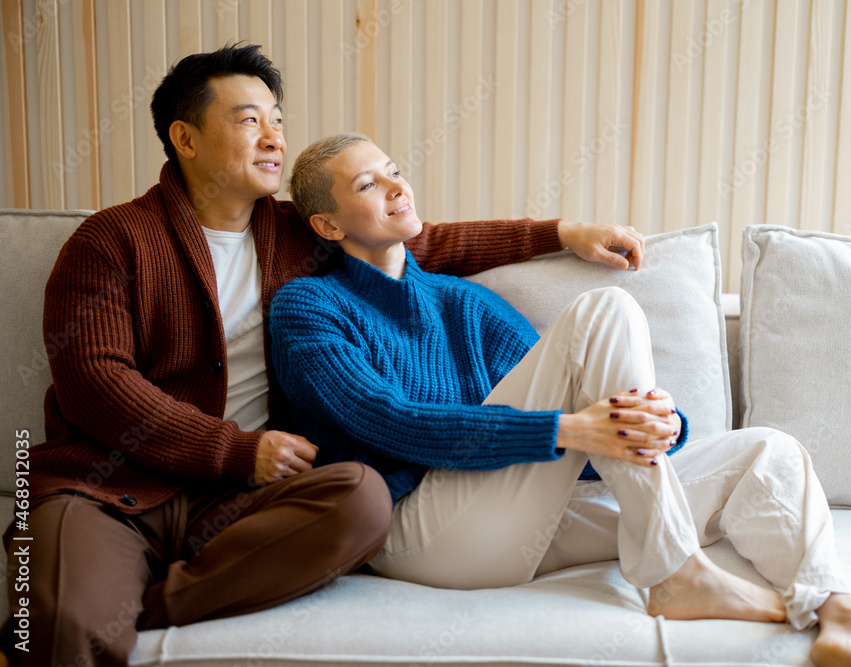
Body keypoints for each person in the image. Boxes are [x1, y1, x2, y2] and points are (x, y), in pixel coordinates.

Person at [0, 45, 644, 666]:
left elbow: (424, 243)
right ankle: (100, 604)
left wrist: (561, 234)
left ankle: (143, 605)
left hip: (242, 503)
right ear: (185, 138)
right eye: (249, 121)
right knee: (63, 631)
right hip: (105, 489)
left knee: (364, 497)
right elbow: (95, 381)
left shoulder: (296, 232)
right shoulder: (110, 239)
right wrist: (236, 449)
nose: (275, 138)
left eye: (277, 122)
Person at [269, 132, 851, 667]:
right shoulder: (308, 308)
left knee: (769, 450)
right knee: (605, 312)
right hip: (416, 529)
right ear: (327, 225)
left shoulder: (465, 303)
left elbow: (595, 416)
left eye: (393, 168)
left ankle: (843, 613)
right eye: (368, 182)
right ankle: (674, 570)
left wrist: (661, 425)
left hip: (518, 516)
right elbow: (387, 421)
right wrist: (567, 430)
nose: (396, 185)